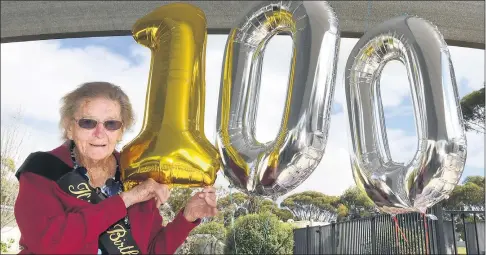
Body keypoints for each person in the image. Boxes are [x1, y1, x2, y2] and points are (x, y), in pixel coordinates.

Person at [14, 82, 218, 254]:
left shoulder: (137, 174)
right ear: (69, 128)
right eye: (88, 122)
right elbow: (48, 244)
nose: (100, 133)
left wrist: (187, 218)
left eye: (111, 124)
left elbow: (151, 248)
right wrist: (127, 199)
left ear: (121, 131)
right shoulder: (42, 169)